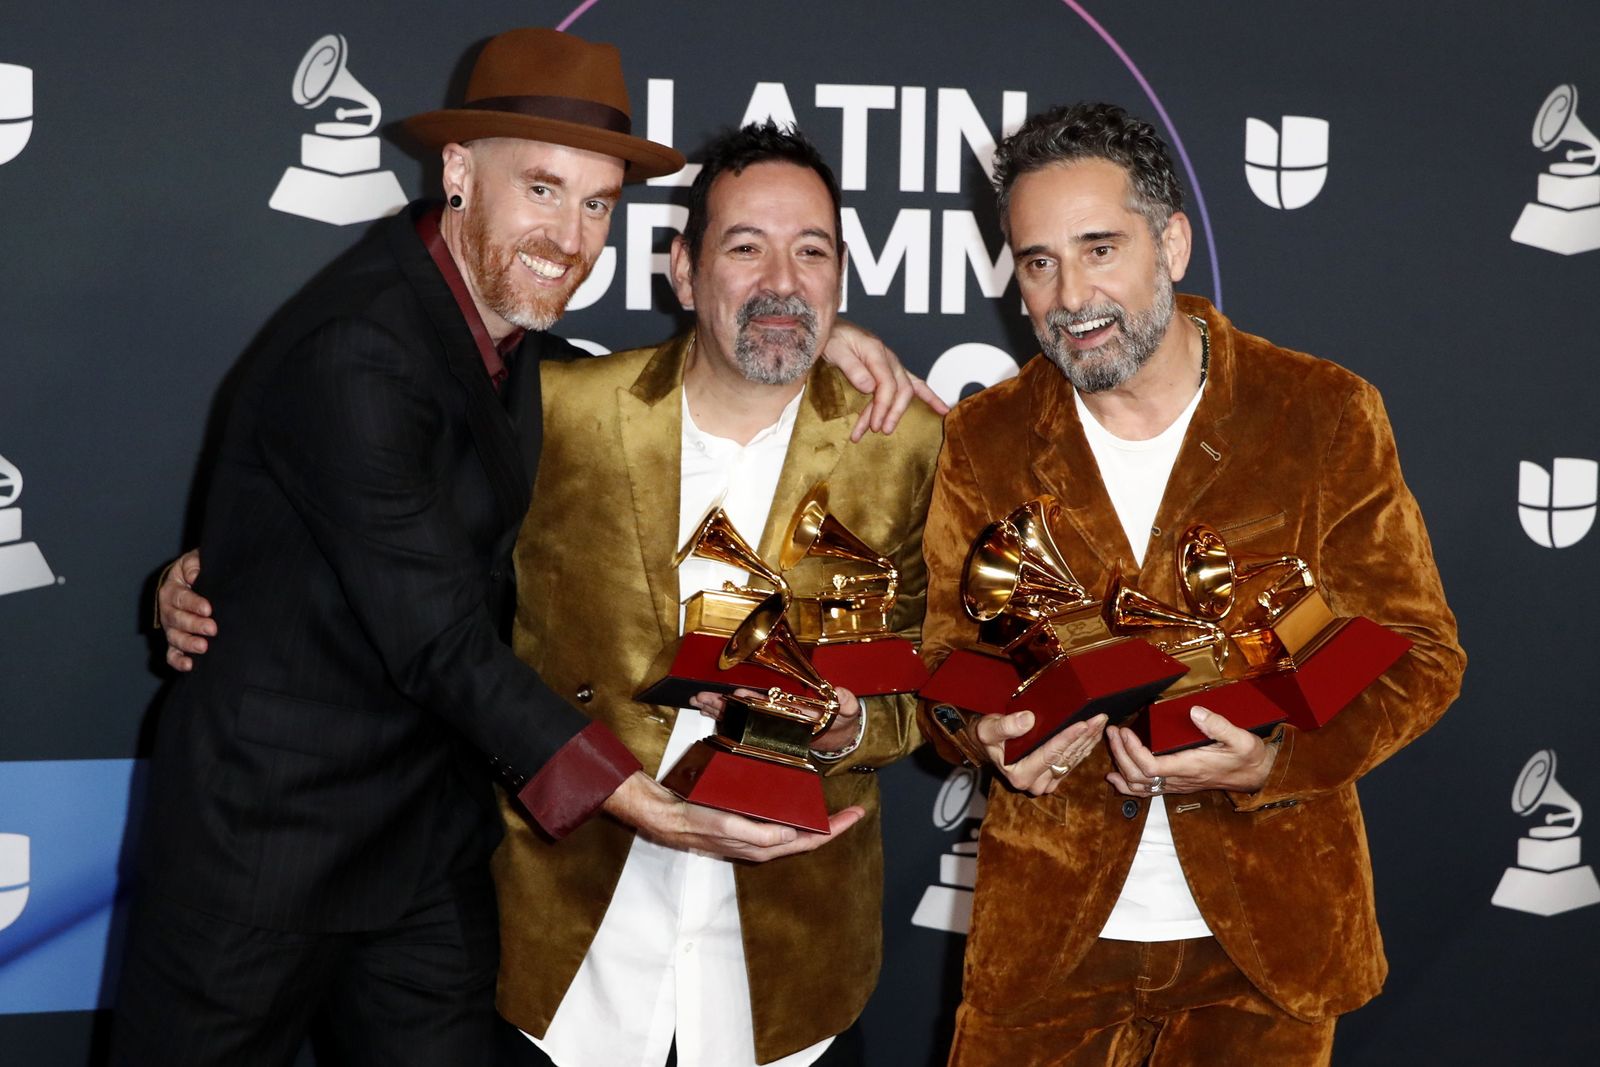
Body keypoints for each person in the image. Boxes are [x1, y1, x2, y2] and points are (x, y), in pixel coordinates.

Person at [122, 29, 928, 1067]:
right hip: (268, 846)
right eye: (542, 189)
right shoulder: (358, 350)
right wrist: (639, 800)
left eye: (596, 203)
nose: (570, 233)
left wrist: (823, 332)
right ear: (457, 175)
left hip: (433, 850)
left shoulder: (517, 351)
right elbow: (439, 644)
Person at [917, 102, 1465, 1065]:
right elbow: (943, 665)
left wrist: (1275, 761)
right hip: (1049, 946)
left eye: (1099, 248)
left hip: (1266, 950)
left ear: (1170, 242)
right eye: (1038, 261)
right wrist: (982, 733)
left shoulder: (1321, 413)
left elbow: (1420, 654)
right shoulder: (984, 437)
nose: (1068, 293)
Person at [492, 122, 941, 1067]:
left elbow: (930, 680)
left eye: (810, 251)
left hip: (790, 981)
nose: (782, 280)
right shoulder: (560, 411)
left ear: (841, 278)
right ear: (684, 271)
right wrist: (207, 572)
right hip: (567, 958)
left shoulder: (907, 449)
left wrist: (851, 725)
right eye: (746, 247)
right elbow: (404, 555)